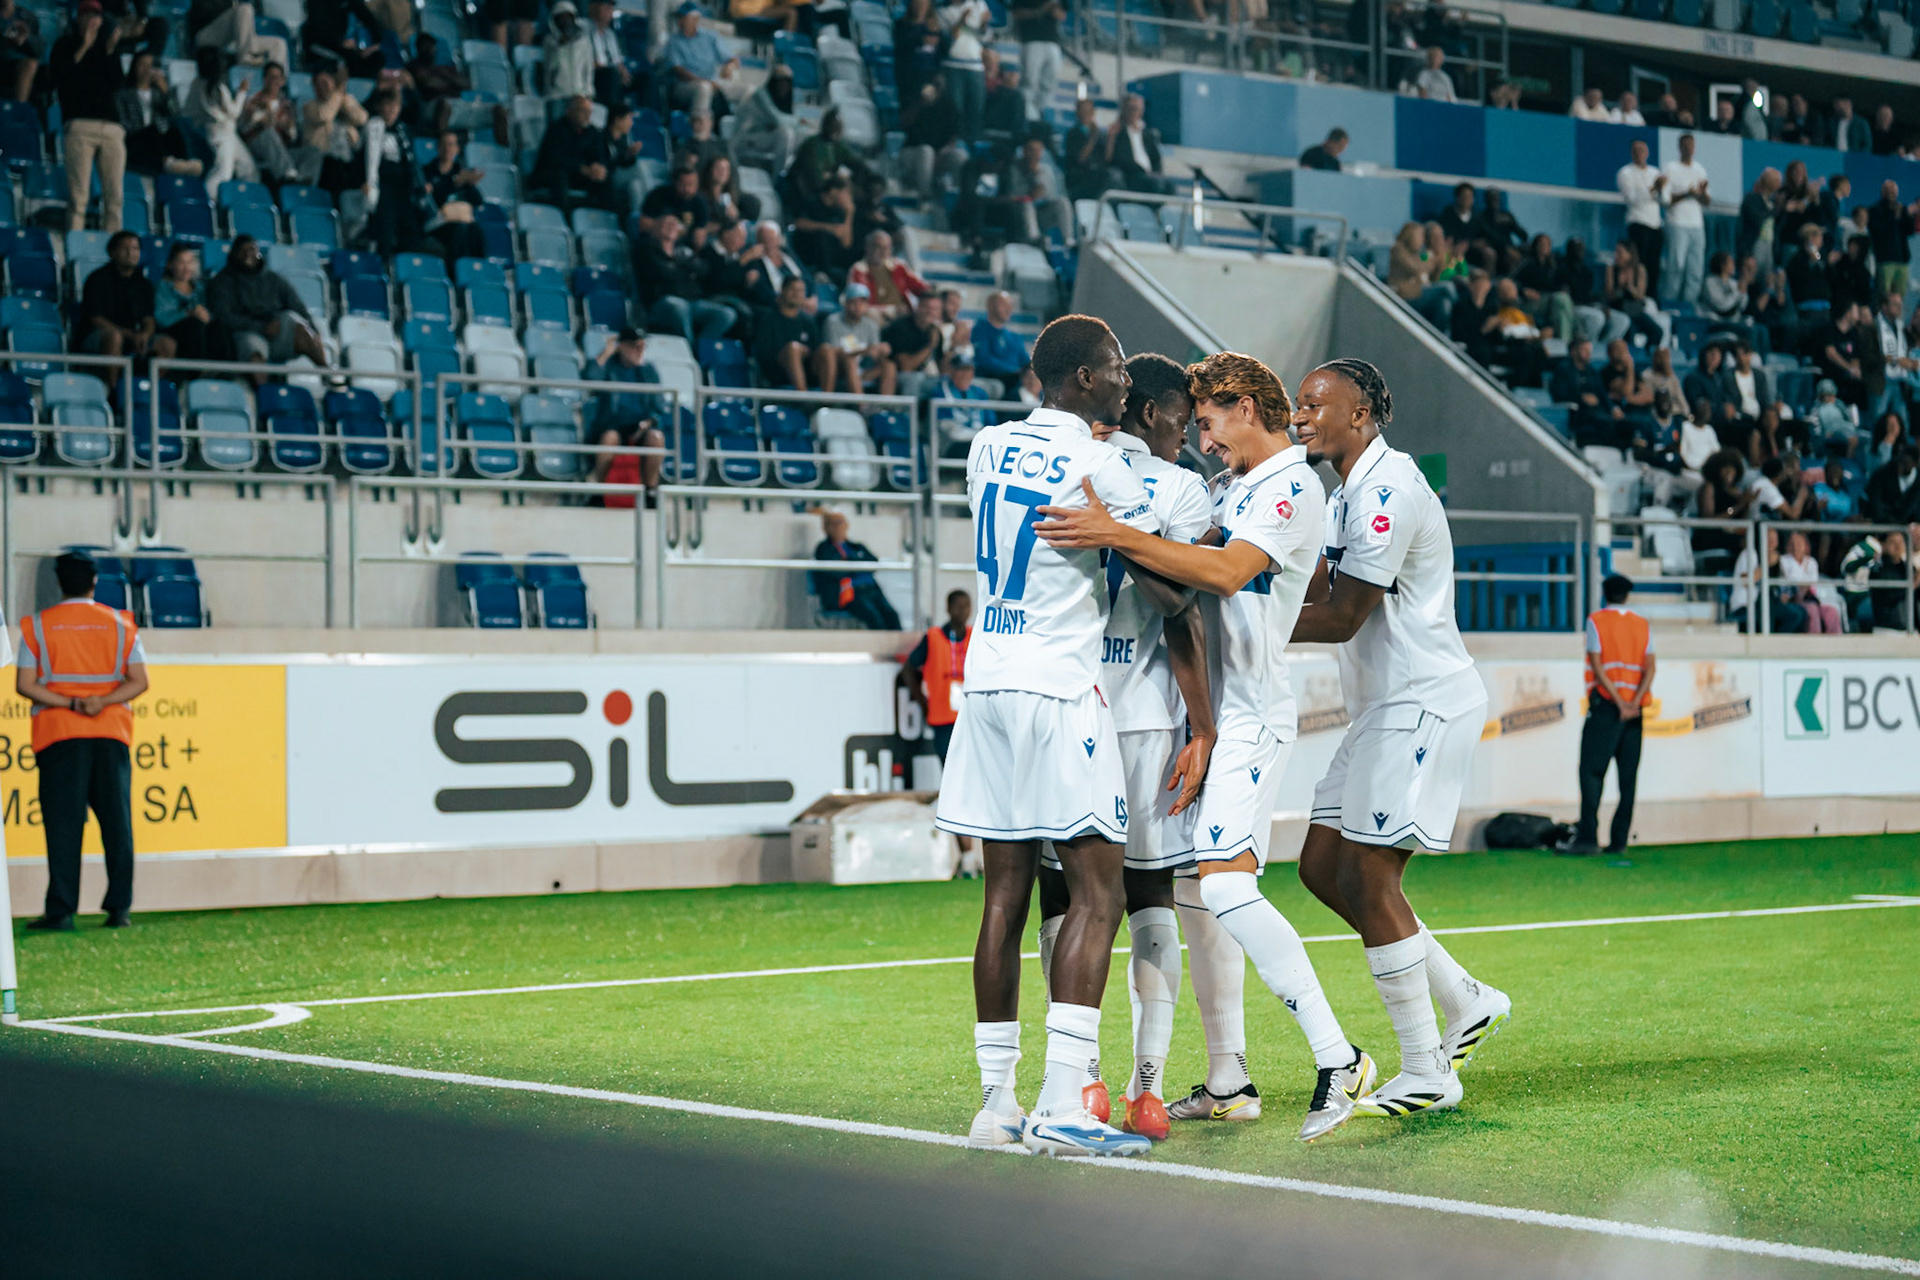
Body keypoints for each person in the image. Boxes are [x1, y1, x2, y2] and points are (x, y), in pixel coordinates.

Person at [1033, 351, 1377, 1144]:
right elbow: (1180, 581)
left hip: (1256, 716)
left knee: (1221, 892)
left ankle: (1338, 1057)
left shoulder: (1293, 486)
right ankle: (1254, 1074)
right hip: (1217, 720)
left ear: (1247, 406)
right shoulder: (1235, 487)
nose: (1204, 438)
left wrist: (1117, 532)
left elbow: (1221, 575)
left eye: (1212, 421)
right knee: (1209, 895)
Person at [934, 314, 1164, 1158]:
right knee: (1099, 892)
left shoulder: (987, 445)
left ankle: (997, 1105)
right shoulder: (1103, 462)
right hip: (1062, 686)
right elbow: (1157, 549)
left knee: (1002, 897)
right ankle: (1067, 1102)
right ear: (1077, 380)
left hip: (987, 683)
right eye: (1111, 371)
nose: (1123, 382)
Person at [1284, 359, 1508, 1116]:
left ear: (1364, 415)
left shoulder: (1388, 490)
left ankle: (1426, 1068)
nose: (1301, 414)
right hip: (1382, 711)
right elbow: (1312, 587)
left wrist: (1237, 623)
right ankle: (1463, 996)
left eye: (1317, 404)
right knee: (1322, 867)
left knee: (1373, 879)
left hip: (1421, 703)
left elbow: (1343, 616)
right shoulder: (1342, 493)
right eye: (1297, 404)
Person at [1024, 353, 1214, 1143]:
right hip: (1139, 719)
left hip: (1064, 706)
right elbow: (1182, 613)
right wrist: (1204, 724)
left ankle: (1085, 1081)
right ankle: (1148, 1090)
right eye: (1177, 421)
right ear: (1144, 413)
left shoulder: (1054, 461)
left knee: (1061, 899)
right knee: (1149, 899)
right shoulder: (1176, 487)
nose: (1185, 439)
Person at [17, 550, 149, 931]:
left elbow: (25, 685)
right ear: (95, 582)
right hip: (110, 734)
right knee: (117, 822)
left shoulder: (39, 627)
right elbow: (140, 680)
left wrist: (72, 702)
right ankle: (119, 908)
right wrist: (101, 702)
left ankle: (61, 910)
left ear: (60, 582)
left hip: (60, 735)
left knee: (63, 825)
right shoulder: (121, 625)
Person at [1557, 575, 1653, 857]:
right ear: (1627, 596)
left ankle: (1587, 838)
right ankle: (1619, 841)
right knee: (1628, 778)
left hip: (1607, 709)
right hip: (1635, 712)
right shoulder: (1642, 624)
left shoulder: (1597, 621)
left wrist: (1620, 702)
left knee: (1591, 772)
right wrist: (1634, 702)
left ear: (1605, 594)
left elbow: (1598, 666)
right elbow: (1650, 668)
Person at [52, 0, 128, 234]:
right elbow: (59, 78)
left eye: (96, 15)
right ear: (78, 18)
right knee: (79, 197)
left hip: (111, 127)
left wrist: (110, 50)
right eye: (87, 14)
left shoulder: (107, 48)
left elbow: (118, 84)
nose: (92, 19)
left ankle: (113, 247)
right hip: (79, 126)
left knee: (115, 198)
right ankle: (74, 243)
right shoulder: (65, 45)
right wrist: (83, 46)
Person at [206, 235, 327, 372]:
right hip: (245, 332)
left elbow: (297, 305)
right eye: (242, 250)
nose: (248, 254)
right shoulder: (222, 281)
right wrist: (261, 327)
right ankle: (264, 392)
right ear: (234, 254)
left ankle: (328, 374)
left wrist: (314, 329)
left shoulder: (274, 279)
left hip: (277, 331)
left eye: (252, 249)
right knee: (254, 351)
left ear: (258, 252)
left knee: (300, 325)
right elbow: (224, 316)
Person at [586, 327, 667, 506]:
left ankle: (650, 493)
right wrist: (606, 353)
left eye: (642, 347)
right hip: (612, 425)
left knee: (656, 437)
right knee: (609, 438)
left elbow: (659, 407)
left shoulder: (648, 371)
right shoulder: (609, 366)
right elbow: (590, 380)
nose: (640, 352)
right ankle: (599, 492)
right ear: (622, 346)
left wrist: (647, 423)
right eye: (635, 347)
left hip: (641, 427)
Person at [76, 232, 157, 390]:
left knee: (166, 343)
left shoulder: (144, 284)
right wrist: (131, 335)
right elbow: (96, 320)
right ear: (112, 252)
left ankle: (149, 391)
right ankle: (115, 393)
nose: (130, 253)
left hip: (134, 337)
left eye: (135, 248)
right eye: (125, 248)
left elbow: (149, 318)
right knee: (114, 337)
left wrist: (145, 334)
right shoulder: (97, 279)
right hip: (98, 336)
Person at [900, 589, 972, 769]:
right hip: (943, 717)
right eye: (958, 606)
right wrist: (922, 702)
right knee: (949, 767)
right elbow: (908, 670)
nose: (963, 611)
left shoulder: (975, 636)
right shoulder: (933, 637)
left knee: (970, 767)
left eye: (966, 606)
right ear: (948, 609)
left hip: (970, 714)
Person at [635, 213, 732, 344]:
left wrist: (678, 267)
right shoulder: (646, 248)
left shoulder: (683, 250)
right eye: (667, 224)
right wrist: (686, 271)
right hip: (662, 301)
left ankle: (701, 348)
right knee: (679, 307)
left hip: (692, 300)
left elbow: (703, 269)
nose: (671, 227)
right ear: (656, 227)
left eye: (674, 225)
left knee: (726, 314)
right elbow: (663, 272)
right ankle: (688, 349)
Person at [811, 510, 900, 630]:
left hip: (870, 590)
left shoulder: (856, 546)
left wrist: (849, 561)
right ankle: (881, 647)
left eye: (840, 522)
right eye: (833, 523)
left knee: (891, 615)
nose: (838, 527)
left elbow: (873, 563)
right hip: (848, 594)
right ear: (826, 528)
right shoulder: (824, 549)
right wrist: (856, 564)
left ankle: (899, 648)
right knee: (874, 618)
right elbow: (836, 572)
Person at [533, 93, 616, 210]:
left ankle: (605, 220)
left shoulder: (593, 132)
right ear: (569, 111)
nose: (587, 116)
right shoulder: (556, 129)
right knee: (559, 175)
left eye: (589, 112)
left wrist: (598, 168)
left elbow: (600, 155)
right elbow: (554, 158)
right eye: (583, 111)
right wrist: (581, 169)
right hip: (555, 175)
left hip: (580, 176)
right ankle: (563, 217)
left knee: (605, 178)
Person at [238, 62, 314, 184]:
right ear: (264, 79)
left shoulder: (287, 106)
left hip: (282, 150)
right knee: (268, 132)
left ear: (283, 81)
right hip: (258, 147)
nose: (274, 81)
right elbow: (245, 129)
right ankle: (288, 175)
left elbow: (292, 136)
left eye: (278, 77)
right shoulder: (253, 101)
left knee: (312, 151)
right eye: (271, 77)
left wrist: (287, 128)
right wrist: (265, 116)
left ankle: (303, 188)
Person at [664, 0, 740, 118]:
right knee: (704, 88)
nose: (680, 22)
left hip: (712, 81)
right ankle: (700, 132)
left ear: (695, 20)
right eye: (679, 18)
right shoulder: (674, 41)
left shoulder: (710, 37)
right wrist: (704, 82)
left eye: (684, 18)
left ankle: (739, 130)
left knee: (748, 91)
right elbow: (678, 71)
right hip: (685, 86)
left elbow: (733, 59)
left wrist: (729, 67)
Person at [820, 283, 896, 396]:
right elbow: (833, 353)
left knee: (889, 366)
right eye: (853, 302)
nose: (858, 307)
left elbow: (873, 354)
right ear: (846, 303)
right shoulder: (833, 322)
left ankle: (885, 407)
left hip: (863, 369)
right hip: (840, 370)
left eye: (862, 302)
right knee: (850, 362)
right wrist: (864, 350)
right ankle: (861, 405)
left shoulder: (871, 325)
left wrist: (882, 350)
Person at [1659, 133, 1709, 306]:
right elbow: (1666, 200)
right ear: (1679, 147)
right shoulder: (1670, 168)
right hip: (1677, 222)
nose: (1689, 149)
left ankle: (1689, 304)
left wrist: (1700, 195)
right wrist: (1687, 193)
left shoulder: (1700, 170)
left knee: (1695, 269)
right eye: (1686, 145)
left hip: (1697, 225)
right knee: (1676, 266)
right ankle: (1670, 302)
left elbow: (1707, 201)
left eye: (1692, 145)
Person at [303, 68, 368, 194]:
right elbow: (324, 115)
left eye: (329, 82)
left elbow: (362, 118)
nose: (326, 87)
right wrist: (338, 95)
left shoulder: (342, 102)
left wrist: (346, 101)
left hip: (347, 160)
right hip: (323, 161)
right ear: (315, 87)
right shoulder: (309, 106)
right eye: (322, 83)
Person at [753, 275, 823, 389]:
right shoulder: (768, 320)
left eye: (800, 290)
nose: (797, 294)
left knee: (827, 350)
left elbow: (816, 352)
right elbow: (764, 355)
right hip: (778, 373)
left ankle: (827, 401)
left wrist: (804, 353)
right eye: (792, 289)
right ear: (782, 291)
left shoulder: (809, 321)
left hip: (807, 371)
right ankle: (804, 400)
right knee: (793, 348)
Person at [1617, 138, 1665, 301]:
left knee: (1654, 266)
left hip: (1655, 224)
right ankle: (1638, 295)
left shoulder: (1655, 172)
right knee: (1639, 264)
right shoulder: (1625, 173)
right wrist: (1653, 188)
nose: (1640, 154)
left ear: (1647, 153)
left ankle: (1651, 297)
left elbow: (1664, 199)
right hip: (1638, 222)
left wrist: (1660, 189)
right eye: (1636, 150)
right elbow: (1631, 198)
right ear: (1631, 153)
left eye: (1642, 150)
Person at [153, 241, 215, 362]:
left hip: (200, 330)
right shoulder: (162, 288)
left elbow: (209, 313)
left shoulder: (200, 289)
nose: (186, 267)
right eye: (181, 262)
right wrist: (188, 313)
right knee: (193, 325)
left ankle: (225, 374)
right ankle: (197, 373)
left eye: (190, 262)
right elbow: (161, 319)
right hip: (173, 330)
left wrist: (207, 316)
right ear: (170, 265)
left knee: (218, 328)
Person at [734, 62, 798, 177]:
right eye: (780, 82)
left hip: (762, 137)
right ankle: (778, 178)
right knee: (785, 134)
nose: (783, 86)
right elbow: (778, 120)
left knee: (795, 134)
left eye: (786, 83)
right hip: (745, 139)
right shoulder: (760, 94)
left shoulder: (785, 101)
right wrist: (798, 121)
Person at [846, 230, 927, 322]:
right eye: (879, 247)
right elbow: (856, 302)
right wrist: (888, 310)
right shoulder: (858, 270)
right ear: (868, 248)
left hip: (902, 315)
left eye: (887, 247)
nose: (884, 252)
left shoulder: (899, 266)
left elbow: (921, 288)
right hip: (874, 316)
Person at [939, 0, 990, 140]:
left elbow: (984, 36)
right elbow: (950, 35)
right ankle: (955, 140)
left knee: (977, 108)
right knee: (956, 108)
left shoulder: (980, 5)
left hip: (975, 65)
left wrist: (985, 23)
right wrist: (962, 19)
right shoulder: (945, 11)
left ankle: (974, 141)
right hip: (954, 64)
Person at [187, 0, 288, 68]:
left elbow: (258, 11)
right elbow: (203, 10)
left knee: (278, 43)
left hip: (236, 39)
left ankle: (275, 82)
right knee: (244, 9)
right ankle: (245, 57)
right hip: (206, 35)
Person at [880, 291, 944, 398]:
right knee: (912, 379)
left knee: (943, 383)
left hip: (919, 375)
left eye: (935, 309)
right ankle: (907, 414)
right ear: (917, 307)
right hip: (887, 373)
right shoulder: (901, 326)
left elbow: (942, 368)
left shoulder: (934, 331)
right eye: (926, 307)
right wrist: (930, 347)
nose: (930, 312)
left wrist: (955, 346)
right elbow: (905, 367)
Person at [1010, 0, 1061, 122]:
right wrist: (1041, 10)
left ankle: (1041, 112)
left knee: (1050, 81)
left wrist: (1052, 9)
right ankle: (1027, 114)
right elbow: (1016, 13)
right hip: (1031, 39)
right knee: (1029, 81)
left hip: (1052, 39)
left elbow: (1062, 15)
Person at [1867, 180, 1919, 302]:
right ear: (1883, 192)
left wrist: (1909, 216)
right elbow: (1879, 230)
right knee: (1885, 296)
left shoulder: (1901, 209)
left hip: (1901, 259)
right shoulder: (1875, 210)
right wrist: (1894, 217)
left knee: (1899, 296)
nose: (1891, 194)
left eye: (1894, 191)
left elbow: (1909, 231)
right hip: (1885, 260)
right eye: (1888, 191)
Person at [1106, 92, 1167, 195]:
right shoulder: (1118, 132)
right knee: (1155, 184)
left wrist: (1156, 173)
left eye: (1137, 109)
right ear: (1125, 110)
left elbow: (1156, 158)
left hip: (1150, 175)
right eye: (1131, 108)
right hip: (1132, 175)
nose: (1134, 112)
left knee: (1169, 186)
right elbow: (1118, 158)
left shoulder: (1147, 134)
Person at [972, 290, 1029, 385]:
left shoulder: (1015, 338)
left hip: (1016, 380)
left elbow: (1026, 362)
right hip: (993, 380)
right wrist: (1012, 371)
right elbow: (983, 360)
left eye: (1010, 305)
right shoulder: (980, 331)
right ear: (990, 306)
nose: (1008, 309)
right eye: (1003, 305)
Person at [542, 0, 593, 101]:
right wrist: (561, 45)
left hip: (580, 94)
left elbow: (588, 69)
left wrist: (588, 91)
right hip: (556, 95)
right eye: (561, 17)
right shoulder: (549, 42)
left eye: (568, 17)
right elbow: (549, 71)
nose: (565, 21)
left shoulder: (584, 42)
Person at [1063, 97, 1110, 199]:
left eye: (1089, 111)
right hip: (1080, 175)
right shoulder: (1073, 133)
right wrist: (1092, 137)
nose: (1086, 113)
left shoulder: (1100, 135)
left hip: (1098, 171)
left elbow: (1107, 157)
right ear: (1077, 113)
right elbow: (1080, 159)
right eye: (1083, 110)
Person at [0, 0, 41, 103]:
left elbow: (38, 50)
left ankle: (19, 109)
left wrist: (25, 39)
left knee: (30, 64)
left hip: (16, 67)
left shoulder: (26, 16)